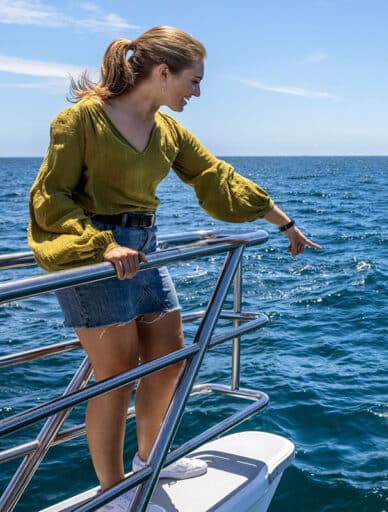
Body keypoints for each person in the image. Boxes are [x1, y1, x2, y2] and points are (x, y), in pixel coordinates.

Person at [27, 26, 320, 511]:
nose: (198, 92)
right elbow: (50, 197)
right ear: (163, 73)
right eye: (194, 80)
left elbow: (216, 177)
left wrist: (283, 221)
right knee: (116, 374)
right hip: (93, 254)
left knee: (170, 359)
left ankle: (149, 460)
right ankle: (114, 491)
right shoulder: (80, 121)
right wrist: (101, 246)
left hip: (146, 250)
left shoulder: (168, 130)